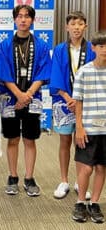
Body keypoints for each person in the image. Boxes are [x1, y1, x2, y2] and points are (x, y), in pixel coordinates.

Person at [0, 5, 51, 197]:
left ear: (33, 20)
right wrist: (19, 95)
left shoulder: (41, 45)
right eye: (19, 16)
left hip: (33, 98)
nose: (23, 20)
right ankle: (12, 176)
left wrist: (27, 95)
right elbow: (2, 73)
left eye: (27, 16)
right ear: (14, 20)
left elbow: (44, 73)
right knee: (12, 139)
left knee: (29, 139)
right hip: (10, 98)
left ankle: (29, 177)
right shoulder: (5, 45)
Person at [50, 11, 95, 199]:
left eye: (80, 23)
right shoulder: (60, 49)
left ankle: (80, 181)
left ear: (85, 26)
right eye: (73, 24)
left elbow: (97, 75)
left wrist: (79, 99)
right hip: (64, 101)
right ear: (67, 27)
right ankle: (64, 180)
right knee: (65, 141)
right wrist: (67, 97)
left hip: (87, 102)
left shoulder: (93, 48)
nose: (76, 27)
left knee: (82, 142)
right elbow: (56, 76)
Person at [71, 31, 106, 224]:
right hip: (88, 128)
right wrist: (79, 127)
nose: (104, 50)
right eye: (100, 46)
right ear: (93, 48)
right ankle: (80, 201)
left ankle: (94, 202)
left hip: (105, 130)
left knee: (102, 167)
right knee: (86, 169)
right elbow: (78, 101)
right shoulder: (84, 71)